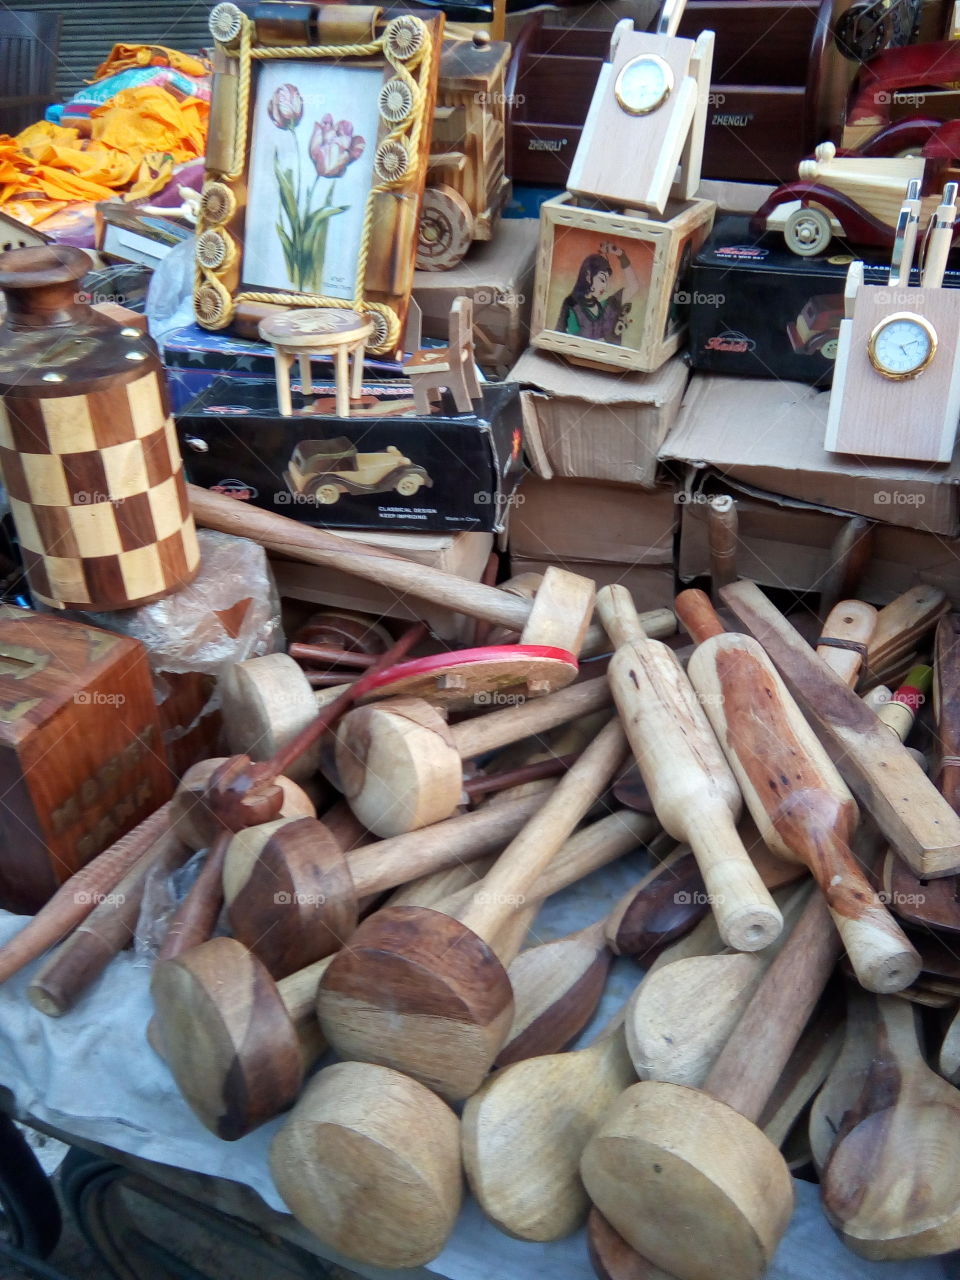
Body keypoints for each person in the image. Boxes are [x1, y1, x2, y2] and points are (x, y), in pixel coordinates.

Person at [557, 241, 640, 344]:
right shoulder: (572, 308)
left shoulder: (607, 307)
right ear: (588, 275)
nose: (604, 287)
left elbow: (634, 286)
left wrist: (621, 255)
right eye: (602, 279)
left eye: (606, 282)